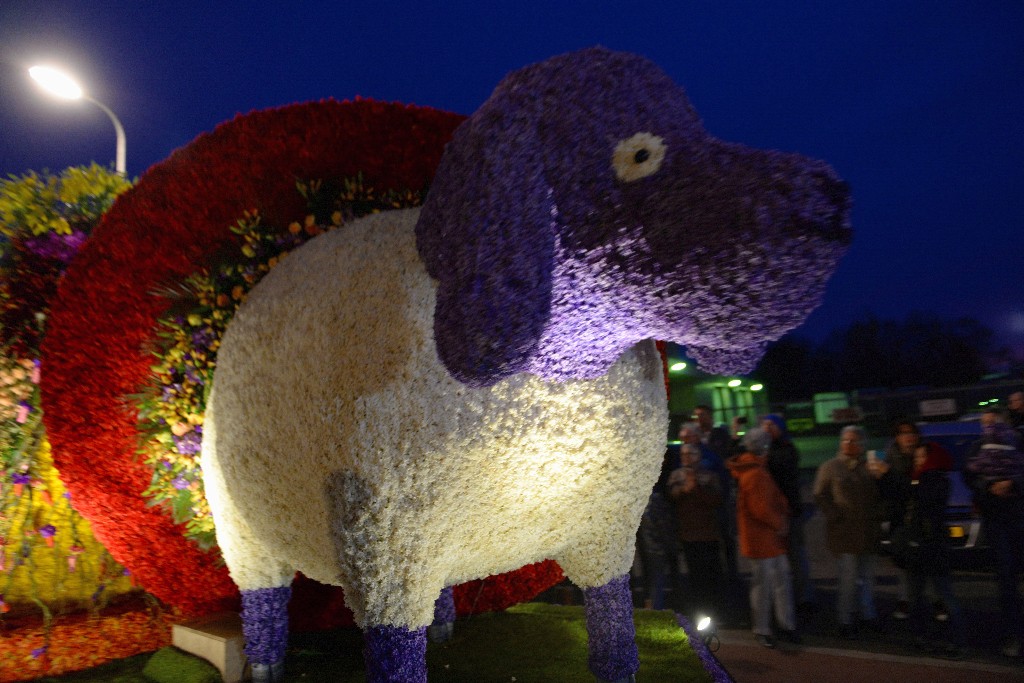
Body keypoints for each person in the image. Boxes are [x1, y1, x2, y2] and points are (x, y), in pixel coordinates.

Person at [813, 425, 886, 638]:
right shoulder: (831, 467)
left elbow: (882, 494)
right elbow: (820, 494)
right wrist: (834, 515)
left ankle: (867, 615)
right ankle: (844, 618)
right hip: (845, 533)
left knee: (868, 577)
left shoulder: (870, 467)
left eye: (854, 441)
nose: (848, 444)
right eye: (845, 440)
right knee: (848, 579)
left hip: (869, 531)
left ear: (863, 444)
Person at [728, 427, 799, 648]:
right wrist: (781, 522)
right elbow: (761, 509)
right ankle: (767, 627)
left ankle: (775, 626)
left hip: (765, 538)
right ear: (763, 448)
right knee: (769, 584)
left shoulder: (753, 470)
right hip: (764, 538)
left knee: (772, 583)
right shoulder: (756, 473)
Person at [964, 420, 1024, 659]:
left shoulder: (1017, 443)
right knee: (1007, 578)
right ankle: (1014, 634)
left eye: (992, 422)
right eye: (985, 423)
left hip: (1018, 514)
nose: (988, 426)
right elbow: (969, 474)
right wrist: (989, 486)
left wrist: (1013, 483)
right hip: (997, 519)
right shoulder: (978, 448)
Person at [899, 442, 966, 656]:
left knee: (936, 593)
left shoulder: (931, 479)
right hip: (925, 545)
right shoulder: (927, 478)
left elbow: (922, 501)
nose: (918, 462)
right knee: (922, 594)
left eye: (922, 458)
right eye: (916, 458)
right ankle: (929, 637)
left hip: (928, 545)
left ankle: (951, 639)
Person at [761, 414, 814, 610]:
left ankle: (804, 596)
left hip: (790, 510)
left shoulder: (786, 449)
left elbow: (781, 467)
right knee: (776, 557)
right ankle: (783, 598)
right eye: (764, 426)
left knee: (795, 554)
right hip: (771, 511)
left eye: (771, 425)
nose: (767, 429)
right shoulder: (767, 450)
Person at [667, 442, 724, 620]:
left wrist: (697, 489)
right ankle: (699, 611)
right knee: (695, 575)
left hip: (708, 533)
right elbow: (671, 497)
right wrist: (684, 490)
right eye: (683, 454)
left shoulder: (708, 475)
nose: (686, 457)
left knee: (712, 574)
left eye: (690, 453)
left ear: (698, 456)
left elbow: (716, 499)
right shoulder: (676, 476)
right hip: (688, 534)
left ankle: (717, 610)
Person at [880, 420, 922, 620]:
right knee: (902, 561)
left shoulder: (924, 455)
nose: (908, 438)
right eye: (903, 433)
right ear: (896, 437)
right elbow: (888, 492)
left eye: (911, 433)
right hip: (899, 516)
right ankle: (904, 600)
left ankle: (936, 602)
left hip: (922, 516)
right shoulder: (889, 459)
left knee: (926, 560)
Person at [637, 445, 682, 610]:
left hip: (660, 537)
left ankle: (663, 608)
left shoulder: (664, 479)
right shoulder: (655, 485)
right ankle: (657, 609)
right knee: (656, 578)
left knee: (658, 577)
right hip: (656, 540)